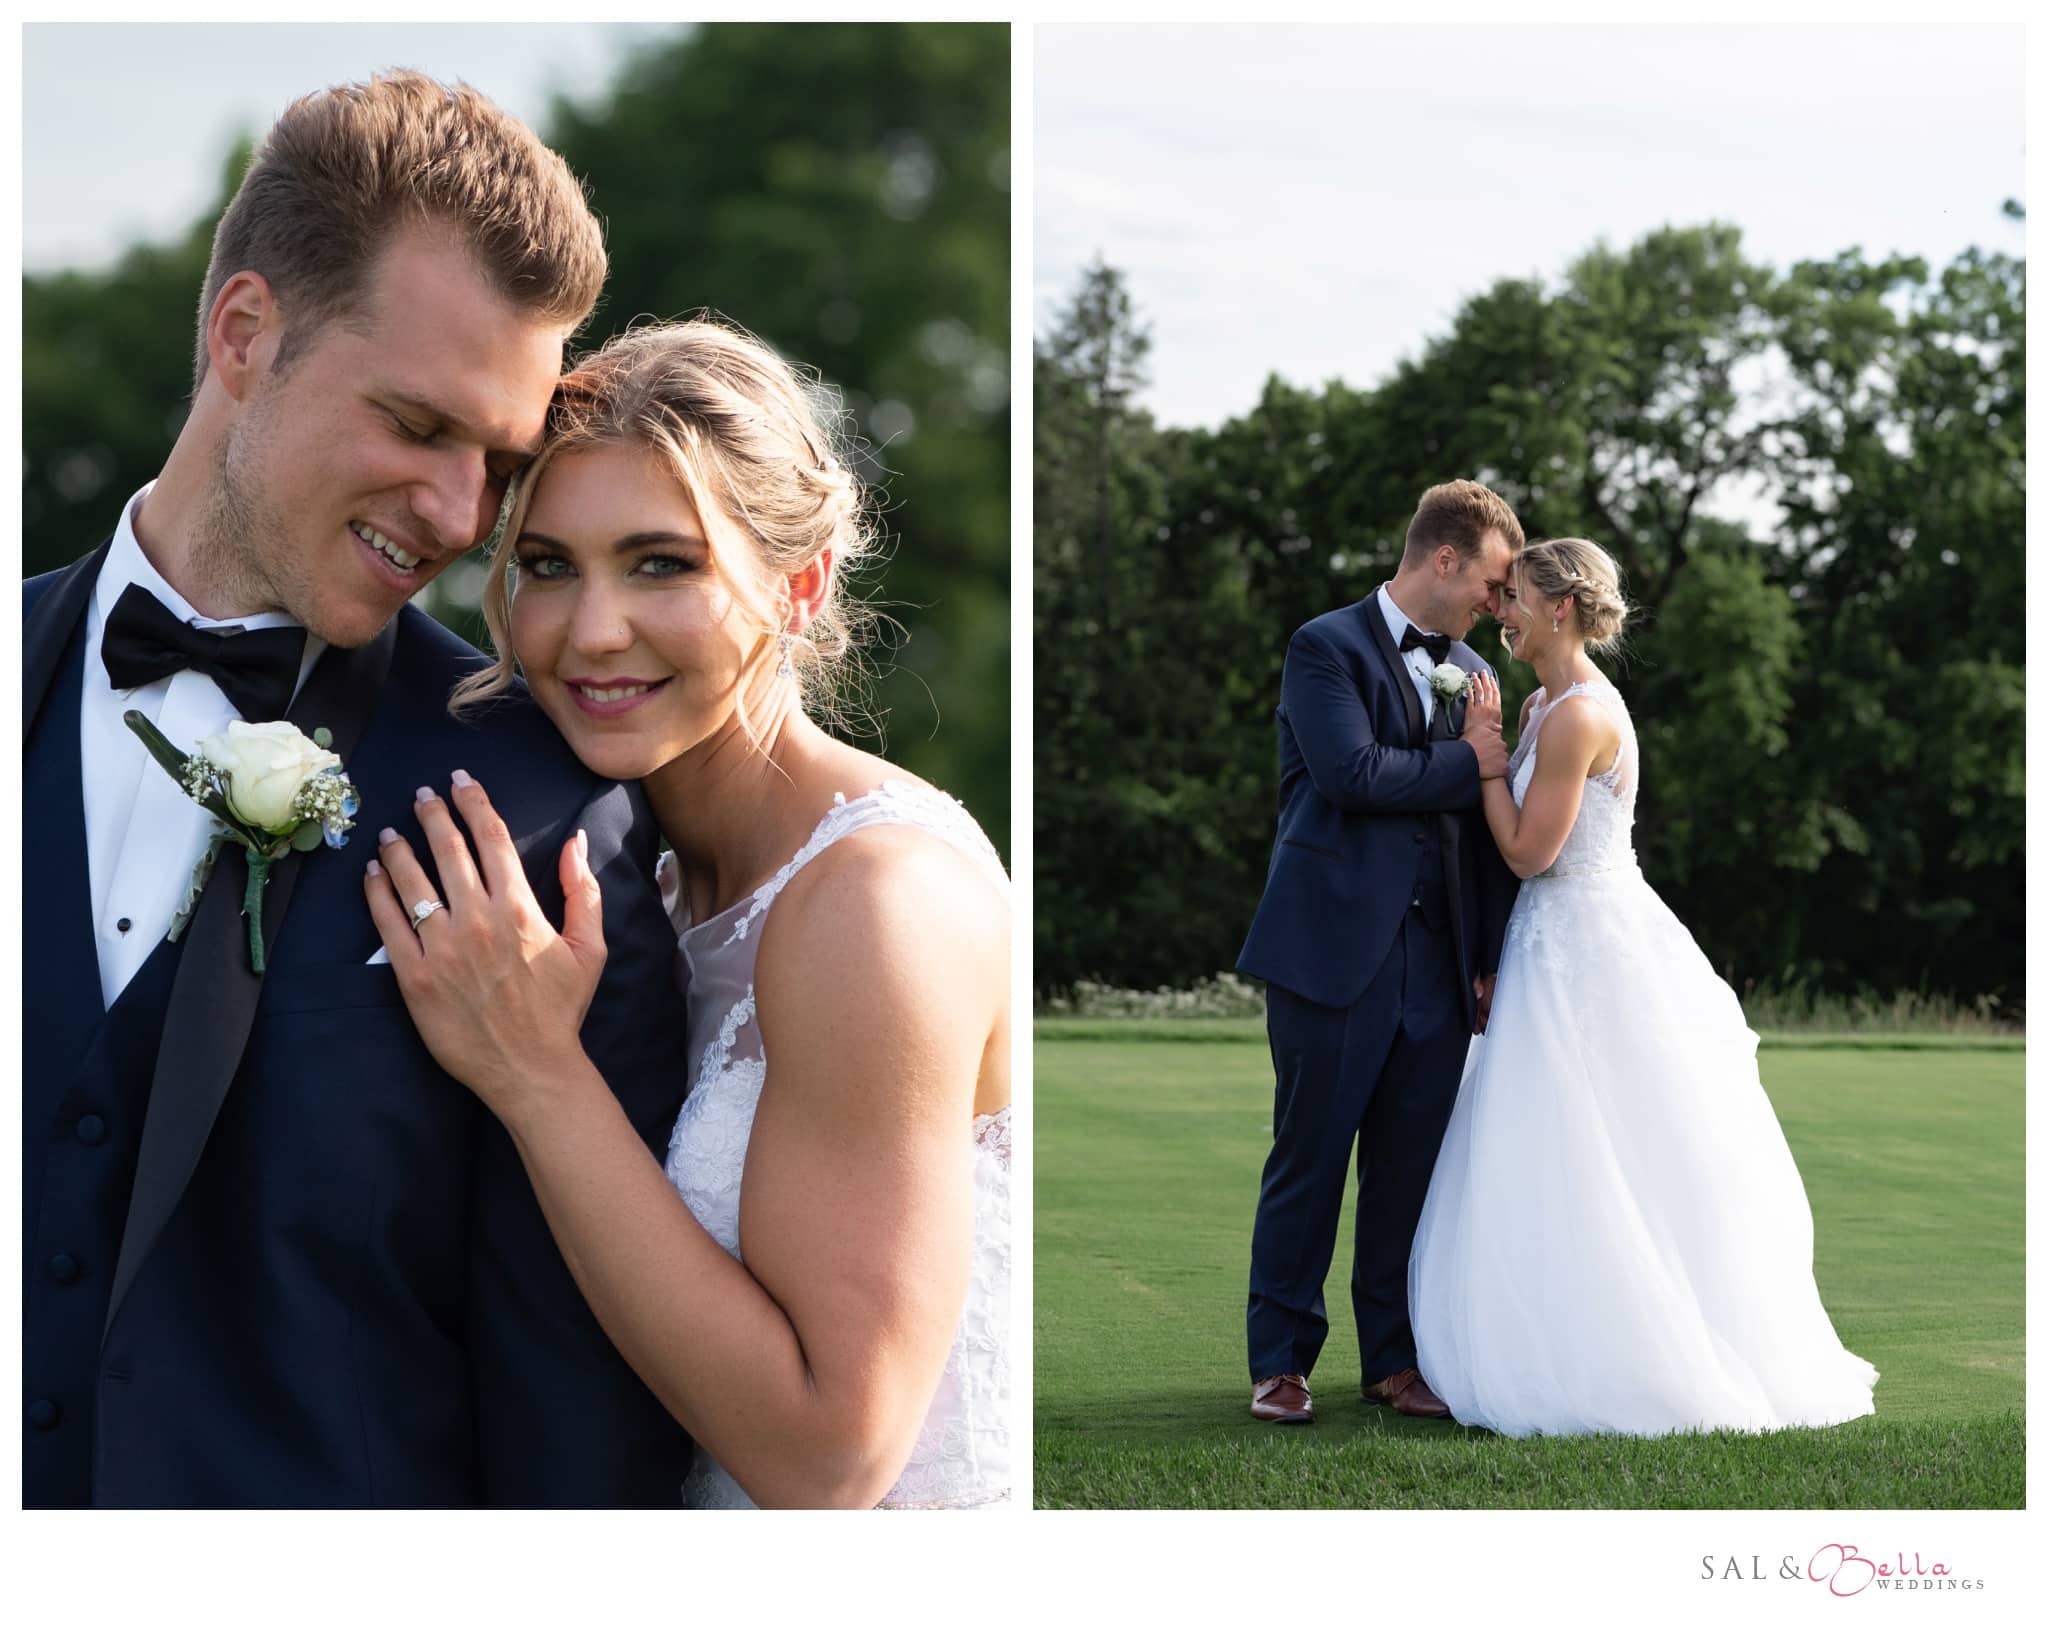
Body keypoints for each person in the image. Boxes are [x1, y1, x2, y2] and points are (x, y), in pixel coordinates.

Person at [22, 72, 693, 1507]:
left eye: (500, 465)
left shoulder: (537, 812)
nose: (459, 520)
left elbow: (576, 1434)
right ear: (246, 334)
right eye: (419, 426)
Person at [362, 319, 1013, 1510]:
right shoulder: (639, 876)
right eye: (548, 566)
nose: (589, 630)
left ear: (798, 585)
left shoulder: (875, 906)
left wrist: (534, 1076)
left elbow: (832, 1459)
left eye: (661, 563)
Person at [1409, 537, 1878, 1436]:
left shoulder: (1581, 715)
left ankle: (1634, 1355)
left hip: (1588, 944)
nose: (1499, 612)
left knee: (1609, 1144)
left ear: (1562, 609)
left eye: (1513, 598)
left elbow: (1526, 851)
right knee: (1557, 1144)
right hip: (1552, 941)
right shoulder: (1547, 701)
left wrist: (1481, 752)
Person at [1234, 480, 1523, 1425]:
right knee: (1308, 1163)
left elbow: (1481, 833)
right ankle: (1280, 1362)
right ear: (1443, 558)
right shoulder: (1324, 646)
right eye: (1489, 581)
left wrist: (1482, 956)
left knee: (1409, 1174)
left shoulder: (1475, 674)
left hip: (1437, 963)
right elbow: (1351, 774)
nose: (1494, 602)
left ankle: (1395, 1363)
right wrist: (1472, 759)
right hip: (1329, 952)